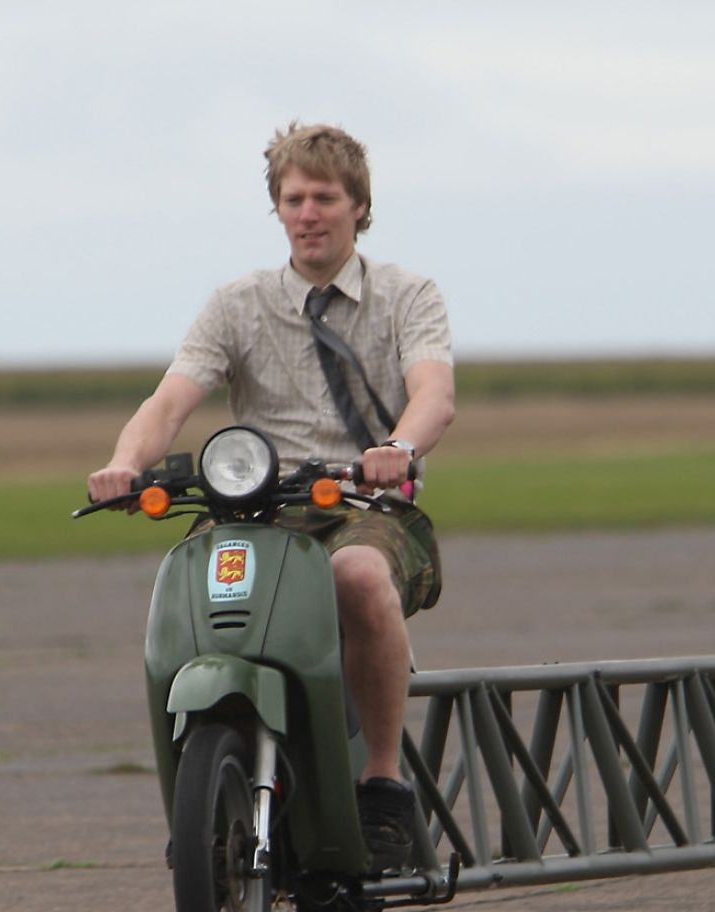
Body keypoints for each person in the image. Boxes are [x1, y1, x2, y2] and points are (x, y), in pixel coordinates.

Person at [88, 122, 455, 872]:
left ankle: (382, 783)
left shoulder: (408, 295)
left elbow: (434, 394)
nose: (308, 212)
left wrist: (399, 450)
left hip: (367, 507)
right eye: (294, 198)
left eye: (325, 197)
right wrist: (126, 462)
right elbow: (168, 403)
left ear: (360, 206)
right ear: (278, 209)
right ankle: (202, 800)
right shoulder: (238, 303)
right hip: (255, 510)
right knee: (189, 597)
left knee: (355, 576)